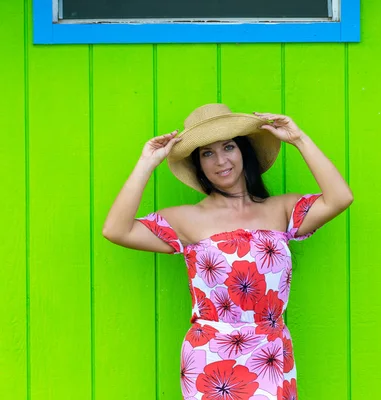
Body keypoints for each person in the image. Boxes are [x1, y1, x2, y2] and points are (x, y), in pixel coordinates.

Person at [102, 103, 352, 400]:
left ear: (244, 152)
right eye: (207, 153)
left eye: (228, 147)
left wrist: (299, 140)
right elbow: (116, 229)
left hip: (270, 353)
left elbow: (340, 197)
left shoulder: (281, 209)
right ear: (199, 165)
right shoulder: (186, 219)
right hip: (210, 357)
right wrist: (146, 162)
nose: (220, 161)